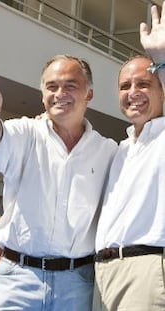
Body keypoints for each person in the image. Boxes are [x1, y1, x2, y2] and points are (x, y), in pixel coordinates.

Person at [0, 55, 117, 310]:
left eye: (70, 85)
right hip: (17, 280)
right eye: (52, 86)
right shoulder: (26, 132)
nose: (60, 93)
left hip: (77, 284)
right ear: (42, 95)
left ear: (89, 94)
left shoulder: (108, 151)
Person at [93, 4, 165, 310]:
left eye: (144, 83)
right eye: (125, 86)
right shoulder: (119, 149)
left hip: (145, 270)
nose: (133, 91)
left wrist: (161, 58)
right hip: (101, 273)